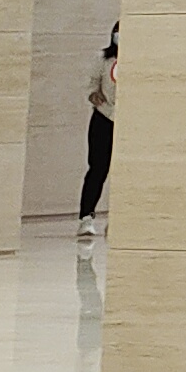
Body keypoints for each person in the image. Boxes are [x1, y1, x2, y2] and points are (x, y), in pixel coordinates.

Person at [77, 24, 115, 237]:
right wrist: (93, 94)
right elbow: (92, 84)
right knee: (98, 169)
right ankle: (86, 217)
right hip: (103, 118)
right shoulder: (102, 58)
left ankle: (116, 219)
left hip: (128, 122)